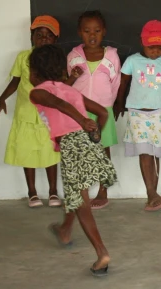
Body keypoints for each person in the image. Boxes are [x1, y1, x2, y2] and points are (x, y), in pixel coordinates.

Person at [28, 44, 117, 277]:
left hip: (73, 145)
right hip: (88, 143)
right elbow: (104, 112)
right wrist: (94, 133)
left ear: (34, 72)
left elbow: (59, 105)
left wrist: (81, 121)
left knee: (81, 204)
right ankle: (65, 229)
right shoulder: (71, 90)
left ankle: (101, 253)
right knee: (77, 193)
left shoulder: (36, 92)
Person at [0, 15, 63, 208]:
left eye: (48, 35)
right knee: (27, 152)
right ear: (31, 36)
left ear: (56, 39)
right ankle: (32, 192)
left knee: (50, 153)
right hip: (25, 113)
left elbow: (62, 85)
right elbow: (15, 82)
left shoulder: (57, 59)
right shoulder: (23, 57)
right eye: (38, 35)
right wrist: (1, 99)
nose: (43, 39)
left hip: (48, 116)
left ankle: (53, 192)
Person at [114, 20, 161, 211]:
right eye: (152, 47)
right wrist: (119, 104)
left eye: (160, 48)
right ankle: (151, 193)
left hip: (157, 113)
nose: (156, 52)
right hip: (137, 113)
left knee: (156, 153)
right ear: (143, 43)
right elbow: (123, 83)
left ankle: (153, 194)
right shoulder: (132, 61)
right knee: (145, 152)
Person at [66, 11, 121, 210]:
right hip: (80, 112)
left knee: (102, 151)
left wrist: (109, 105)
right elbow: (67, 86)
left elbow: (116, 83)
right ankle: (82, 191)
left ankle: (103, 191)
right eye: (87, 31)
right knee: (81, 152)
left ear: (103, 32)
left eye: (97, 31)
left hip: (102, 110)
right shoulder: (73, 56)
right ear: (80, 33)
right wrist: (73, 75)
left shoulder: (111, 56)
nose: (92, 35)